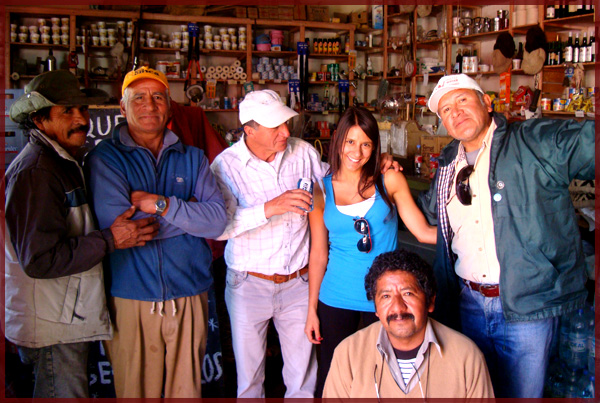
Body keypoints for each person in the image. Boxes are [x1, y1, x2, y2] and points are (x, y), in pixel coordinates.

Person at [210, 90, 399, 398]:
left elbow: (341, 182)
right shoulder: (225, 166)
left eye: (287, 123)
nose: (286, 132)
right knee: (249, 378)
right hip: (249, 284)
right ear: (249, 130)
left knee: (303, 377)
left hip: (298, 280)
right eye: (275, 127)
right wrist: (269, 208)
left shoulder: (302, 153)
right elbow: (218, 227)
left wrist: (378, 165)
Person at [418, 74, 595, 398]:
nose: (455, 112)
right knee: (475, 393)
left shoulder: (532, 141)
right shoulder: (447, 164)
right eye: (445, 109)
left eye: (462, 101)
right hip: (467, 303)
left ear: (487, 102)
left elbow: (589, 144)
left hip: (527, 307)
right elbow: (432, 220)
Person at [4, 70, 159, 398]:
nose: (81, 119)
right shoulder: (37, 171)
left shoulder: (61, 161)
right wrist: (111, 239)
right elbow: (40, 259)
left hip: (64, 317)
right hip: (52, 327)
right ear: (39, 120)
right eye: (67, 111)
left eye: (83, 109)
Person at [85, 67, 227, 398]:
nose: (150, 105)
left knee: (186, 392)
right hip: (132, 296)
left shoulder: (192, 157)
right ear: (123, 108)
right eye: (139, 98)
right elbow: (123, 230)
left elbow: (217, 222)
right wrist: (190, 212)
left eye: (158, 96)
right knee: (136, 392)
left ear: (170, 106)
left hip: (189, 292)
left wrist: (160, 204)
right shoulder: (105, 159)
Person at [304, 107, 437, 396]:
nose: (357, 151)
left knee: (384, 381)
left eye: (366, 143)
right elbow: (318, 255)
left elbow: (423, 232)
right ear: (337, 142)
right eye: (350, 142)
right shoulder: (321, 191)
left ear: (375, 147)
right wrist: (311, 309)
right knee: (334, 380)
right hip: (335, 298)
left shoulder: (388, 180)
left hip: (386, 300)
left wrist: (471, 234)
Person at [323, 249, 494, 398]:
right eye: (386, 296)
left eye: (408, 294)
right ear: (376, 308)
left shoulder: (466, 356)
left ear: (430, 302)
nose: (397, 306)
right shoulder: (348, 353)